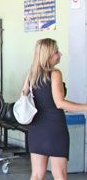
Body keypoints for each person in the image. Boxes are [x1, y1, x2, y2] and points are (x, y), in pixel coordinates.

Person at [23, 38, 87, 180]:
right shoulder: (55, 73)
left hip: (36, 128)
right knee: (60, 175)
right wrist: (85, 107)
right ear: (48, 54)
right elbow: (60, 103)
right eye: (56, 52)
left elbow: (23, 95)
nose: (60, 54)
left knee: (37, 174)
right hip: (54, 127)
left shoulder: (31, 74)